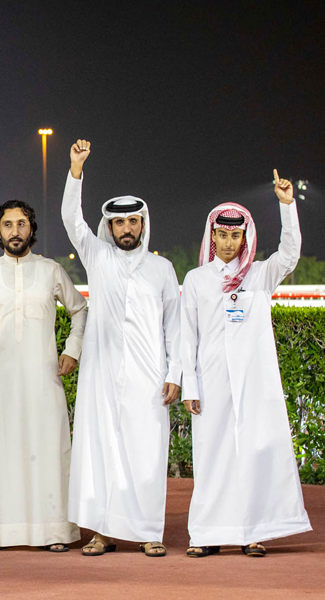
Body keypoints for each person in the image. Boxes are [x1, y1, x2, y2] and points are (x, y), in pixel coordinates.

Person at [180, 172, 312, 558]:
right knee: (212, 458)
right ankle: (206, 534)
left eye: (235, 236)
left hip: (254, 385)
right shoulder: (198, 279)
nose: (227, 243)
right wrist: (190, 385)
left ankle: (252, 533)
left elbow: (289, 254)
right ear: (212, 236)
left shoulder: (259, 275)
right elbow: (188, 338)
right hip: (212, 385)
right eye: (221, 235)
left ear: (245, 238)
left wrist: (287, 205)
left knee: (253, 456)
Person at [61, 140, 182, 558]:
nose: (127, 229)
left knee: (147, 452)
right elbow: (70, 219)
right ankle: (102, 532)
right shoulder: (98, 257)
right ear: (109, 228)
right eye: (119, 224)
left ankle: (149, 531)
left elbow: (175, 325)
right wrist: (76, 170)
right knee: (100, 452)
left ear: (143, 226)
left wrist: (175, 372)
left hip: (150, 378)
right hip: (100, 375)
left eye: (133, 222)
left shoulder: (162, 269)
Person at [0, 200, 87, 553]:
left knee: (47, 451)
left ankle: (53, 532)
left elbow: (80, 310)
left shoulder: (51, 271)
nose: (15, 231)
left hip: (43, 379)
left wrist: (72, 349)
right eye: (8, 224)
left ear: (31, 229)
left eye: (21, 224)